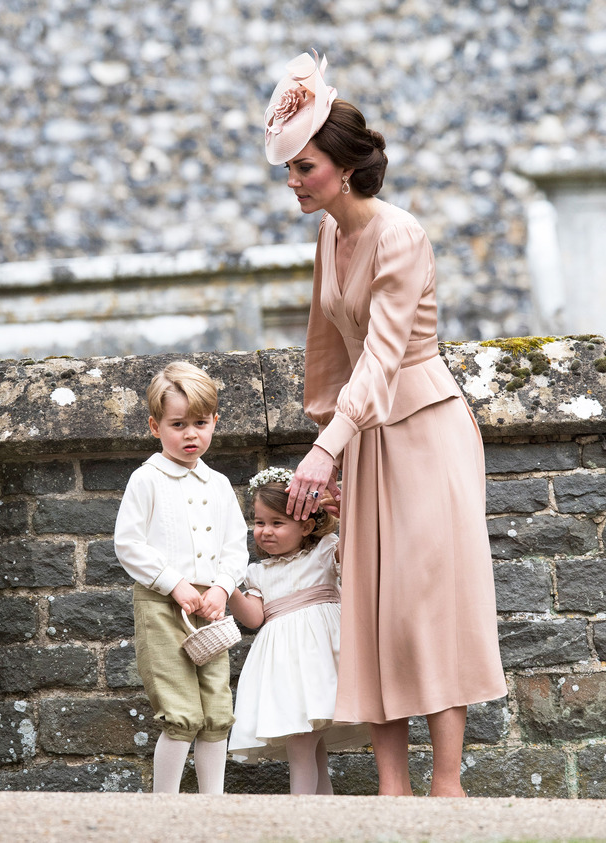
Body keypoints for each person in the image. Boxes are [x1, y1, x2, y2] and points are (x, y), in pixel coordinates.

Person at [264, 50, 508, 797]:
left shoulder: (399, 235)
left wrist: (323, 447)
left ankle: (448, 784)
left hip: (425, 428)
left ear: (341, 166)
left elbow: (382, 355)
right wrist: (330, 448)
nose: (294, 182)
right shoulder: (328, 237)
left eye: (304, 167)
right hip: (364, 436)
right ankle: (391, 789)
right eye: (289, 170)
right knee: (371, 601)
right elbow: (328, 353)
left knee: (429, 597)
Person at [114, 361, 248, 794]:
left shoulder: (220, 484)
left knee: (216, 712)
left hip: (210, 610)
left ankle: (213, 805)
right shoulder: (146, 479)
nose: (191, 434)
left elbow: (235, 544)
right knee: (181, 712)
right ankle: (165, 808)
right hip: (162, 605)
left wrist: (224, 587)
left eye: (200, 423)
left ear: (215, 422)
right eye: (178, 424)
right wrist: (174, 582)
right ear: (155, 426)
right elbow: (129, 543)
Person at [227, 468, 368, 794]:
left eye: (277, 523)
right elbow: (253, 618)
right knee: (306, 742)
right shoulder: (259, 572)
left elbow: (354, 556)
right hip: (286, 668)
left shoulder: (323, 552)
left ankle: (300, 814)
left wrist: (345, 514)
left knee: (303, 742)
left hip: (321, 660)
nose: (266, 532)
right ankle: (320, 815)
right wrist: (228, 587)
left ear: (305, 525)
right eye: (260, 523)